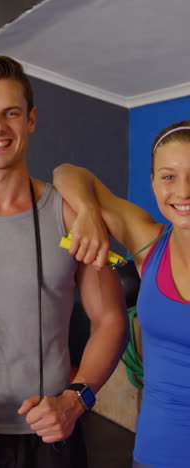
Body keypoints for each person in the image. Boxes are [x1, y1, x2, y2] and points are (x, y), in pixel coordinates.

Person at [0, 55, 128, 467]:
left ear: (30, 120)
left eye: (11, 113)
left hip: (54, 433)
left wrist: (77, 400)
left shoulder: (71, 215)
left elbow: (110, 318)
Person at [53, 120, 190, 468]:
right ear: (153, 183)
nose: (183, 191)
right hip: (157, 451)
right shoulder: (149, 244)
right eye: (169, 176)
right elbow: (67, 172)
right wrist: (88, 214)